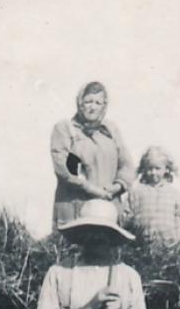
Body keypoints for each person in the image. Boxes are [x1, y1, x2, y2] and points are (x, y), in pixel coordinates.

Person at [51, 81, 135, 229]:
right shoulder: (66, 129)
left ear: (104, 106)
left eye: (98, 103)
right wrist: (93, 190)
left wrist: (116, 187)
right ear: (80, 103)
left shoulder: (111, 130)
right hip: (75, 208)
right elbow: (65, 169)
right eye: (88, 101)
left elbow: (127, 166)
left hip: (108, 209)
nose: (92, 107)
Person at [124, 146, 180, 243]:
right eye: (149, 169)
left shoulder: (174, 193)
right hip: (141, 243)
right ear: (143, 169)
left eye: (157, 168)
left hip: (167, 243)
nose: (153, 172)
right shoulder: (136, 192)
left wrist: (178, 240)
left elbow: (178, 221)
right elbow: (127, 218)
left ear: (166, 169)